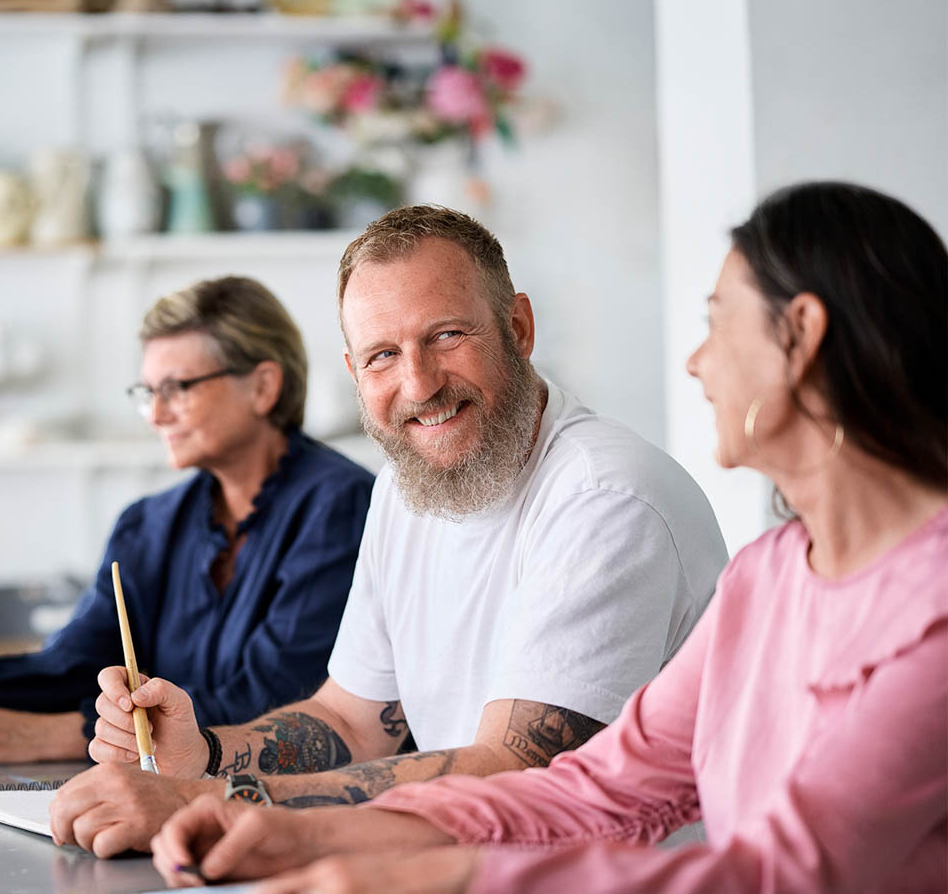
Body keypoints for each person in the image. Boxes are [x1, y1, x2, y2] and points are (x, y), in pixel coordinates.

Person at [149, 181, 948, 894]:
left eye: (718, 322)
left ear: (801, 333)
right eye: (383, 355)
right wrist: (305, 834)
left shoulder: (933, 610)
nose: (696, 361)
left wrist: (461, 891)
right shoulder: (769, 574)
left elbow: (788, 880)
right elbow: (598, 788)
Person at [53, 205, 730, 855]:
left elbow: (515, 774)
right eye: (382, 355)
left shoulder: (605, 498)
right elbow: (352, 720)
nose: (420, 383)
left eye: (447, 336)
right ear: (355, 373)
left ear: (518, 329)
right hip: (475, 882)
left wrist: (213, 800)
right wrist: (203, 753)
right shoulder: (403, 490)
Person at [0, 276, 374, 765]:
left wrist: (61, 734)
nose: (156, 414)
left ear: (263, 386)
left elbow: (276, 696)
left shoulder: (342, 506)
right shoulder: (148, 524)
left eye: (178, 388)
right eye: (148, 392)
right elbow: (70, 669)